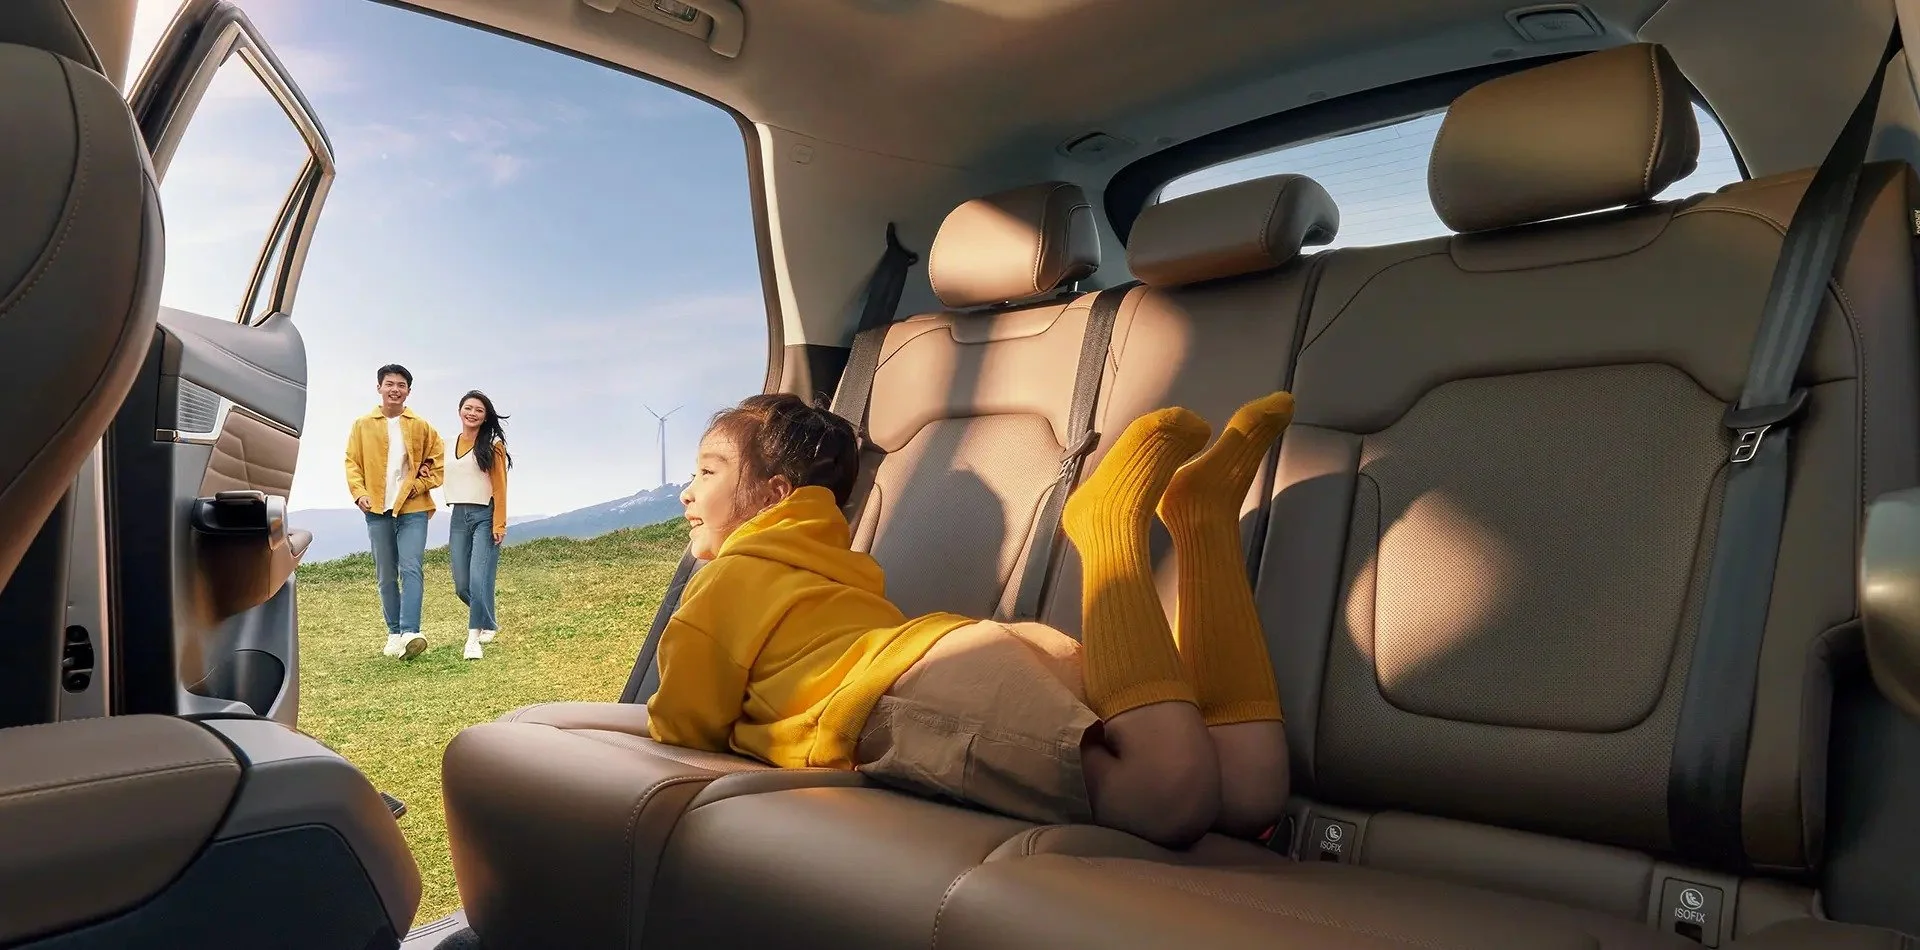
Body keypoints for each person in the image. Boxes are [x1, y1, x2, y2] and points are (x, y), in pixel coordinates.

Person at [647, 391, 1292, 848]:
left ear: (777, 497)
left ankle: (1106, 524)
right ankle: (1203, 520)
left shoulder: (729, 578)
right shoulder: (832, 567)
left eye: (706, 471)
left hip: (915, 693)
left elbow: (684, 720)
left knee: (1167, 795)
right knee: (1249, 791)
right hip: (979, 657)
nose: (686, 490)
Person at [343, 364, 446, 661]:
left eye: (401, 385)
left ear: (408, 392)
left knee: (411, 567)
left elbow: (437, 459)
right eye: (390, 384)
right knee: (386, 573)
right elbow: (352, 462)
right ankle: (394, 632)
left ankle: (411, 631)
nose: (395, 389)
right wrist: (359, 493)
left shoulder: (420, 426)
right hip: (376, 508)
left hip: (413, 507)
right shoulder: (362, 425)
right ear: (379, 388)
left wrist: (420, 484)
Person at [443, 390, 511, 660]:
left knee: (478, 578)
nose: (472, 413)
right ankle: (489, 621)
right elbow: (438, 471)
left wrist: (500, 523)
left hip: (486, 515)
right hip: (458, 515)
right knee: (462, 584)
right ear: (460, 410)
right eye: (468, 408)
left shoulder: (493, 445)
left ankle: (473, 640)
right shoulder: (446, 444)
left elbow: (501, 488)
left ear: (485, 417)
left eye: (479, 411)